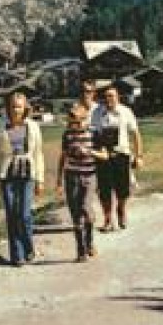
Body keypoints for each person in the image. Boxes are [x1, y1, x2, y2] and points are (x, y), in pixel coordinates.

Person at [0, 90, 45, 266]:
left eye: (19, 107)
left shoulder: (33, 127)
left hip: (27, 173)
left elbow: (38, 154)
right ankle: (17, 255)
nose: (16, 110)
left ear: (25, 108)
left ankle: (29, 247)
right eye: (13, 106)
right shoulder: (2, 127)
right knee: (11, 215)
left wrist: (40, 180)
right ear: (8, 108)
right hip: (7, 174)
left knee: (24, 214)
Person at [89, 84, 142, 232]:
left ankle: (121, 210)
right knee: (104, 190)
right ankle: (107, 219)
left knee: (123, 189)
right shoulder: (97, 113)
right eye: (106, 97)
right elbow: (93, 134)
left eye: (111, 96)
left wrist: (139, 156)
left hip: (121, 155)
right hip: (104, 156)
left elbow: (136, 134)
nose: (108, 99)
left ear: (118, 97)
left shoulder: (126, 112)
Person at [55, 103, 102, 261]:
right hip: (71, 177)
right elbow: (63, 157)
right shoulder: (67, 134)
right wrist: (59, 181)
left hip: (89, 176)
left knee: (86, 209)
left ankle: (89, 242)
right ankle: (81, 250)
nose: (74, 126)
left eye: (78, 122)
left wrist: (89, 151)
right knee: (75, 214)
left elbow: (105, 155)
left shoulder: (94, 133)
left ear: (86, 119)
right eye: (71, 123)